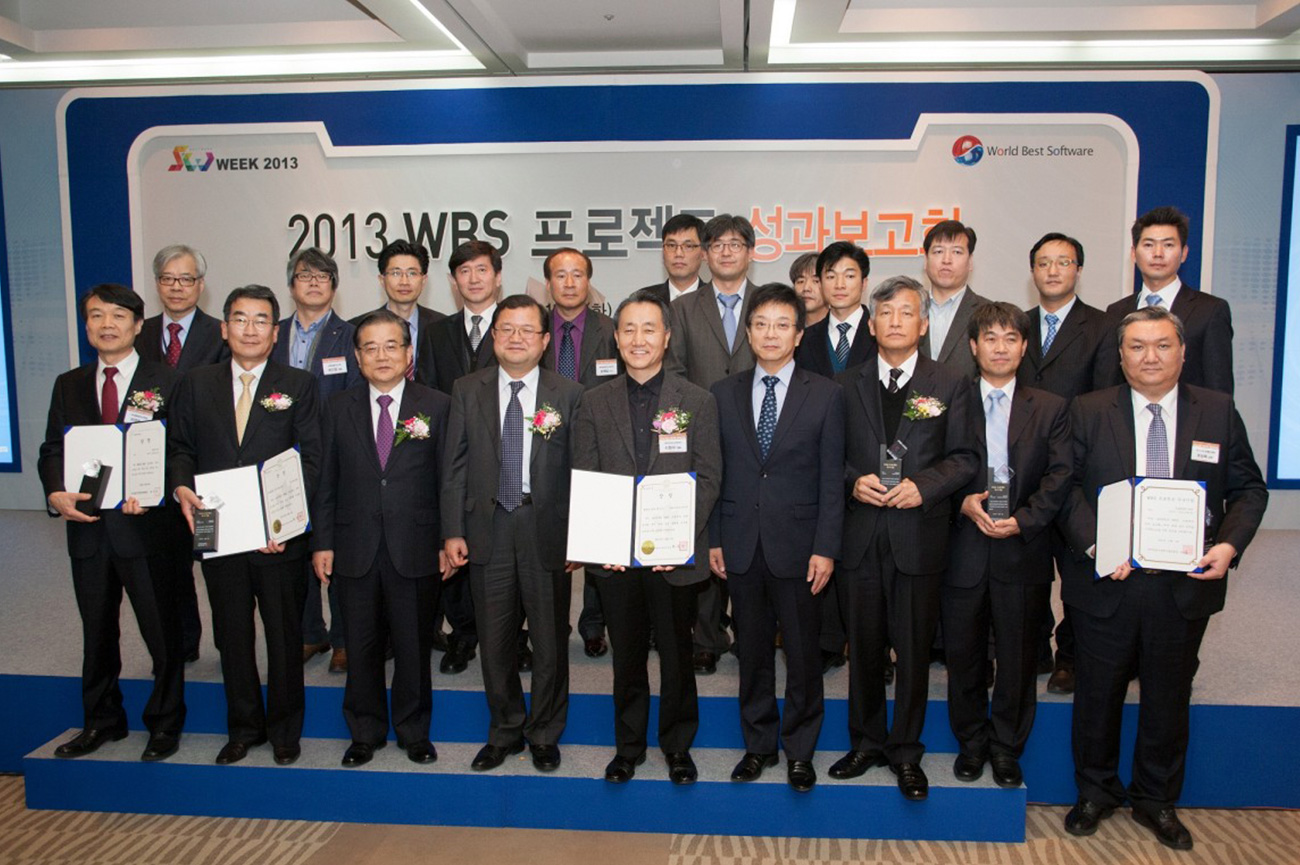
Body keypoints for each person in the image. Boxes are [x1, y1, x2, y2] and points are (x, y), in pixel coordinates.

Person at [1059, 305, 1266, 851]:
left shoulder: (1217, 411)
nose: (1149, 356)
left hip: (1184, 585)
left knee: (1168, 697)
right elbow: (1065, 488)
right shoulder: (1088, 410)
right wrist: (1099, 545)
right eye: (1137, 346)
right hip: (1107, 580)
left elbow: (1248, 489)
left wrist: (1228, 545)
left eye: (1162, 345)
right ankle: (1095, 792)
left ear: (1182, 351)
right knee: (1097, 694)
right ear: (1120, 355)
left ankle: (1156, 799)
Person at [829, 275, 980, 801]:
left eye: (906, 312)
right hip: (860, 535)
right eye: (886, 313)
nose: (895, 321)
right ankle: (866, 742)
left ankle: (906, 752)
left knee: (913, 652)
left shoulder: (951, 383)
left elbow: (965, 457)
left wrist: (925, 487)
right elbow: (828, 456)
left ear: (923, 323)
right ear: (872, 325)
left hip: (918, 535)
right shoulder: (844, 384)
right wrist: (853, 481)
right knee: (864, 648)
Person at [571, 288, 721, 785]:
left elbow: (709, 476)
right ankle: (628, 747)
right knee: (628, 657)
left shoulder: (696, 400)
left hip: (672, 557)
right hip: (617, 560)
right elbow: (587, 474)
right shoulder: (594, 401)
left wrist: (680, 538)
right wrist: (603, 542)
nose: (639, 339)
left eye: (649, 329)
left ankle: (677, 746)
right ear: (616, 338)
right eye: (629, 329)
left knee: (678, 656)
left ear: (667, 337)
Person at [168, 285, 322, 766]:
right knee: (231, 635)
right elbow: (180, 447)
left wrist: (286, 522)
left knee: (283, 636)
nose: (250, 329)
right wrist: (181, 486)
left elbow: (312, 459)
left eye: (260, 321)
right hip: (219, 530)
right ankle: (243, 728)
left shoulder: (298, 384)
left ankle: (284, 731)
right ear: (224, 328)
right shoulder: (196, 383)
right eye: (240, 319)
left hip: (278, 537)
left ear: (275, 332)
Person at [38, 283, 187, 763]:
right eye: (96, 315)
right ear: (86, 326)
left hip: (147, 529)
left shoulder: (167, 380)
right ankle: (102, 721)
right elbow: (52, 450)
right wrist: (55, 492)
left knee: (161, 633)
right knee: (97, 632)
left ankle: (164, 724)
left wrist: (156, 490)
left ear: (138, 325)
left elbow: (180, 450)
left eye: (118, 316)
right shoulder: (69, 383)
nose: (106, 325)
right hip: (87, 528)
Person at [711, 283, 845, 793]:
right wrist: (715, 538)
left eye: (782, 325)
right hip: (740, 543)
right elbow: (715, 474)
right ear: (748, 332)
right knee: (751, 653)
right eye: (761, 324)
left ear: (799, 334)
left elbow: (832, 480)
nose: (771, 334)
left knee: (804, 656)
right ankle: (759, 746)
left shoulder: (826, 394)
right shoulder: (722, 393)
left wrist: (826, 547)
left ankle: (800, 751)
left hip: (801, 547)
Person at [441, 295, 584, 773]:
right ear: (493, 337)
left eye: (527, 330)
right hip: (488, 526)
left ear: (544, 341)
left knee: (549, 641)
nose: (516, 338)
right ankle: (504, 729)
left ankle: (544, 733)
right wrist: (451, 530)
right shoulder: (467, 389)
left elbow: (581, 471)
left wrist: (580, 536)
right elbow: (453, 467)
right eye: (506, 329)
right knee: (495, 638)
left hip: (547, 529)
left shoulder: (569, 393)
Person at [312, 309, 451, 767]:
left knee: (413, 645)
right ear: (357, 357)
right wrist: (322, 542)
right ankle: (364, 732)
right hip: (354, 546)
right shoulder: (337, 408)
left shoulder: (437, 405)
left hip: (416, 544)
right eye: (370, 348)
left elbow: (448, 481)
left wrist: (448, 538)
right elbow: (326, 481)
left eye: (392, 345)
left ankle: (414, 731)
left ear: (409, 353)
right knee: (361, 645)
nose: (382, 355)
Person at [943, 302, 1071, 790]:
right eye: (991, 338)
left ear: (1024, 347)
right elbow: (933, 463)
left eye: (1011, 338)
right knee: (964, 655)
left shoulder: (1051, 407)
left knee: (1018, 657)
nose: (1001, 347)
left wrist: (1024, 520)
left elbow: (1060, 476)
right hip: (963, 547)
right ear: (973, 346)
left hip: (1023, 549)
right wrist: (961, 501)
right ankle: (971, 743)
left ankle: (1006, 746)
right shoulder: (950, 400)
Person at [665, 213, 758, 675]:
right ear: (705, 253)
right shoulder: (683, 308)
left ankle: (751, 630)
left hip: (759, 438)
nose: (725, 251)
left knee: (752, 532)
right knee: (704, 533)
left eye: (735, 244)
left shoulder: (768, 302)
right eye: (717, 244)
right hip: (702, 437)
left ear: (750, 252)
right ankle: (706, 637)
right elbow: (674, 372)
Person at [1018, 232, 1108, 694]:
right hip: (1024, 469)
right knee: (1028, 568)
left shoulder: (1103, 326)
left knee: (1075, 569)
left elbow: (1107, 399)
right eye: (1044, 262)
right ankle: (1035, 648)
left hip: (1077, 468)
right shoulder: (1017, 325)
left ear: (1079, 269)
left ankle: (1069, 657)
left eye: (1063, 262)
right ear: (1032, 271)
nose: (1053, 270)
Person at [138, 244, 230, 664]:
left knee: (217, 563)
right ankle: (183, 641)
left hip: (208, 467)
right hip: (152, 469)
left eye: (186, 279)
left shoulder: (221, 332)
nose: (177, 287)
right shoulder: (139, 333)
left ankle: (229, 643)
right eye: (168, 279)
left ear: (201, 284)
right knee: (168, 564)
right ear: (157, 283)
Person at [415, 239, 503, 675]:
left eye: (481, 269)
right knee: (454, 541)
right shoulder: (437, 332)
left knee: (502, 548)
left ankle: (509, 636)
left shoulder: (515, 325)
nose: (473, 278)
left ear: (497, 277)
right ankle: (463, 634)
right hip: (451, 455)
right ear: (453, 281)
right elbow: (427, 392)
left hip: (504, 455)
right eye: (464, 271)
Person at [271, 247, 361, 674]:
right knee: (293, 549)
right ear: (291, 286)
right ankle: (310, 632)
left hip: (334, 457)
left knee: (338, 551)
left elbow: (358, 399)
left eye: (322, 276)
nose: (313, 282)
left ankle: (343, 639)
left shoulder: (351, 336)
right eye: (304, 275)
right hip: (281, 460)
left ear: (334, 287)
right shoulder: (271, 333)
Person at [542, 247, 621, 659]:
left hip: (600, 446)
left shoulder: (612, 329)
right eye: (561, 275)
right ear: (548, 283)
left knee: (596, 538)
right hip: (543, 447)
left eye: (577, 274)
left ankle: (594, 625)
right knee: (547, 536)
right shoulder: (532, 329)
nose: (569, 283)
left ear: (589, 281)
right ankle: (551, 622)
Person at [1094, 206, 1234, 395]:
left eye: (1168, 245)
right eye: (1148, 245)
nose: (1158, 253)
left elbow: (1219, 390)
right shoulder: (1116, 311)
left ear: (1184, 253)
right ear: (1134, 253)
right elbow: (1110, 383)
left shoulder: (1210, 311)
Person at [349, 239, 447, 376]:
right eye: (396, 273)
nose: (404, 282)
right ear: (382, 280)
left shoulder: (443, 327)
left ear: (424, 280)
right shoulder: (357, 328)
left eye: (412, 273)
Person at [795, 241, 876, 378]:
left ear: (864, 283)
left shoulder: (881, 334)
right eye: (831, 277)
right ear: (820, 284)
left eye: (849, 276)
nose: (839, 285)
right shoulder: (804, 340)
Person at [919, 220, 988, 381]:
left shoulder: (987, 312)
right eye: (938, 251)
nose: (946, 260)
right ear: (926, 261)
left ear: (970, 262)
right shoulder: (908, 309)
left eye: (957, 252)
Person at [642, 213, 707, 305]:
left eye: (688, 246)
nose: (678, 253)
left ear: (703, 253)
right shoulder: (643, 301)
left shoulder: (716, 301)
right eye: (671, 245)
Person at [790, 252, 827, 328]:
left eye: (816, 281)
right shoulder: (788, 328)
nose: (806, 288)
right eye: (800, 281)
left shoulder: (842, 328)